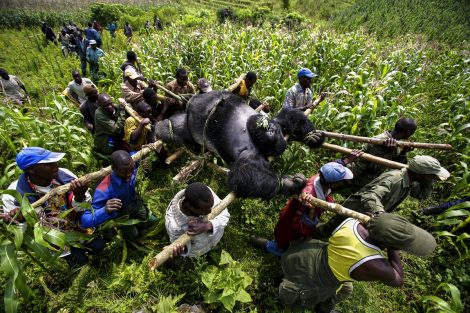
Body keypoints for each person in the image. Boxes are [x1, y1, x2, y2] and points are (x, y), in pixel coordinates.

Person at [279, 212, 437, 312]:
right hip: (319, 278)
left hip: (310, 253)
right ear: (387, 244)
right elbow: (398, 280)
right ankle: (322, 307)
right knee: (344, 289)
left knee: (347, 288)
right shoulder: (373, 263)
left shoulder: (351, 222)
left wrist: (381, 225)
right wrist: (394, 248)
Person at [0, 147, 102, 267]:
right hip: (52, 237)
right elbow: (23, 232)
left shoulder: (65, 175)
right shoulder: (13, 195)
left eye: (54, 161)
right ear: (31, 169)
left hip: (77, 225)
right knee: (77, 263)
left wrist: (79, 196)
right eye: (48, 163)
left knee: (99, 247)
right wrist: (18, 220)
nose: (56, 165)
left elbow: (87, 206)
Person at [316, 155, 451, 238]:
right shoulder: (395, 179)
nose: (431, 179)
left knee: (342, 234)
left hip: (366, 214)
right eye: (430, 176)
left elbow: (422, 196)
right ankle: (308, 235)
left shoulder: (411, 182)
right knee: (329, 230)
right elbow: (370, 195)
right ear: (420, 174)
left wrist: (430, 179)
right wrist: (379, 212)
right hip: (356, 208)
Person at [252, 155, 361, 256]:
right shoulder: (308, 198)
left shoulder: (319, 178)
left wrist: (344, 161)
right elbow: (301, 228)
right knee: (284, 247)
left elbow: (329, 169)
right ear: (334, 184)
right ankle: (267, 246)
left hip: (289, 217)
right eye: (342, 180)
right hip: (290, 229)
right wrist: (312, 211)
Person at [80, 150, 156, 240]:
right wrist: (105, 210)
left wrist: (146, 152)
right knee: (134, 236)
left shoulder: (130, 165)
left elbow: (135, 153)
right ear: (113, 168)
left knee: (153, 221)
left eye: (131, 169)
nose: (129, 174)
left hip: (135, 204)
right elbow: (85, 221)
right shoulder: (104, 189)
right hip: (122, 215)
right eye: (124, 171)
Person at [346, 117, 417, 191]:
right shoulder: (381, 141)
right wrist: (390, 152)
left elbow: (397, 167)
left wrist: (403, 152)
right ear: (408, 132)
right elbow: (373, 168)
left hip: (364, 180)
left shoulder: (395, 142)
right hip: (354, 179)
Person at [166, 182, 230, 258]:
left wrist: (208, 225)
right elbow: (184, 246)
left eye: (211, 207)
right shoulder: (174, 226)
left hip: (215, 239)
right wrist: (182, 249)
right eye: (205, 210)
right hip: (199, 252)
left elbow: (225, 214)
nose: (210, 211)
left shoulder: (205, 194)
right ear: (189, 207)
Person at [93, 94, 127, 159]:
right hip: (106, 139)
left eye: (110, 103)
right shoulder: (99, 114)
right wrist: (122, 112)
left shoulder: (112, 105)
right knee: (111, 155)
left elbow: (118, 108)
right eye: (106, 106)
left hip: (114, 135)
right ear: (100, 105)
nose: (109, 106)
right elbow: (117, 129)